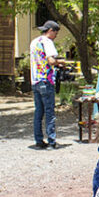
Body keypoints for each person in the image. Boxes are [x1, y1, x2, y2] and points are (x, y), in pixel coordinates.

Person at [30, 20, 65, 149]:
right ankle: (51, 140)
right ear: (50, 31)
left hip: (35, 80)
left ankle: (38, 140)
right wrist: (61, 62)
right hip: (46, 80)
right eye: (55, 33)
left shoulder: (34, 42)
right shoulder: (48, 42)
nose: (55, 36)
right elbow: (50, 60)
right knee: (49, 112)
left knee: (38, 112)